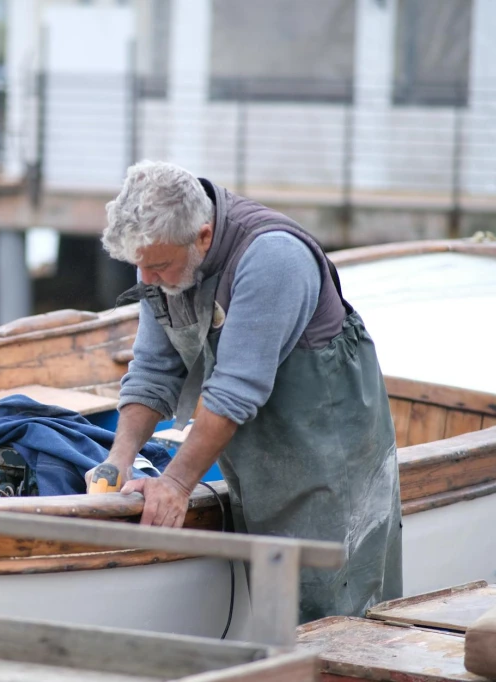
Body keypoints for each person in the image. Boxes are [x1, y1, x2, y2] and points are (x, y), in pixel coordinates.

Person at [94, 160, 402, 621]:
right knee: (278, 609)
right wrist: (116, 461)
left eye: (158, 267)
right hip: (258, 451)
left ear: (201, 236)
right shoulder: (159, 255)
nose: (149, 279)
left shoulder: (274, 258)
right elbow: (153, 370)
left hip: (329, 452)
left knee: (335, 605)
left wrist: (176, 484)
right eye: (142, 268)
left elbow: (234, 389)